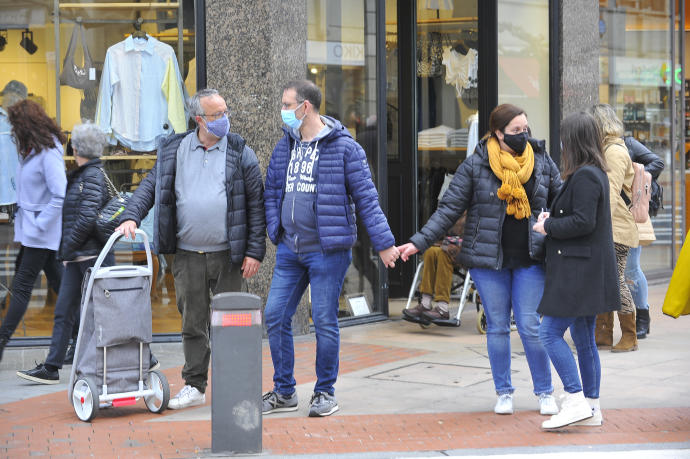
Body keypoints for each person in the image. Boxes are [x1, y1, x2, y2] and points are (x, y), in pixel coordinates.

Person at [398, 103, 562, 416]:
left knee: (529, 326)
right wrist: (418, 242)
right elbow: (447, 209)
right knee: (498, 327)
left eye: (525, 129)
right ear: (498, 133)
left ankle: (544, 391)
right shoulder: (476, 165)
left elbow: (561, 198)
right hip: (489, 261)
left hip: (530, 257)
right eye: (515, 131)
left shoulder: (540, 159)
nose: (522, 135)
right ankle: (504, 392)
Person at [116, 88, 266, 410]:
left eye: (226, 112)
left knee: (232, 323)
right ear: (199, 119)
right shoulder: (174, 150)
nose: (225, 119)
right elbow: (149, 187)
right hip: (187, 255)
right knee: (193, 324)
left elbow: (257, 204)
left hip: (230, 256)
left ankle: (234, 386)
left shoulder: (241, 151)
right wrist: (131, 216)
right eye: (217, 115)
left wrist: (254, 251)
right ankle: (195, 385)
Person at [262, 80, 398, 418]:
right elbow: (272, 190)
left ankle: (324, 392)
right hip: (290, 250)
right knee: (275, 315)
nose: (283, 110)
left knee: (324, 320)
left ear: (305, 107)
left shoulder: (345, 148)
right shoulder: (285, 146)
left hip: (328, 251)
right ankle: (284, 391)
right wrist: (274, 228)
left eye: (286, 104)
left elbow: (367, 199)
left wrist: (384, 245)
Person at [533, 111, 620, 429]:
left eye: (564, 138)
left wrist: (548, 226)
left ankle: (575, 398)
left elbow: (584, 222)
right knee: (583, 338)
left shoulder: (585, 176)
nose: (560, 143)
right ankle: (592, 407)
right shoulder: (592, 173)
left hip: (578, 273)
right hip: (585, 270)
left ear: (574, 141)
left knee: (549, 332)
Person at [15, 122, 117, 383]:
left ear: (76, 147)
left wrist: (65, 247)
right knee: (64, 311)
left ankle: (145, 357)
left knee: (106, 312)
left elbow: (85, 220)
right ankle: (51, 367)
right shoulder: (82, 174)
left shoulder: (92, 176)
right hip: (77, 258)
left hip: (92, 258)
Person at [0, 100, 66, 362]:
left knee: (22, 286)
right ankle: (86, 331)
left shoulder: (48, 153)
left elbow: (59, 194)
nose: (12, 130)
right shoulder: (31, 149)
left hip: (41, 233)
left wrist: (39, 224)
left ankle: (1, 340)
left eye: (15, 125)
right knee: (61, 284)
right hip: (34, 232)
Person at [588, 104, 639, 353]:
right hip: (611, 225)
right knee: (603, 279)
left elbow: (608, 193)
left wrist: (598, 227)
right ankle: (603, 333)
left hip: (615, 227)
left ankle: (630, 335)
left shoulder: (615, 152)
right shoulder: (606, 149)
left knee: (616, 280)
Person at [622, 136, 664, 339]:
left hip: (633, 212)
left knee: (631, 267)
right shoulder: (595, 147)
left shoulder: (627, 143)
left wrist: (637, 177)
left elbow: (658, 162)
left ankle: (642, 315)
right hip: (609, 214)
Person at [403, 214, 466, 322]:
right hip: (449, 245)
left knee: (443, 254)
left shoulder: (474, 207)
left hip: (467, 250)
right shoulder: (452, 206)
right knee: (430, 251)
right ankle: (425, 303)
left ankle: (442, 308)